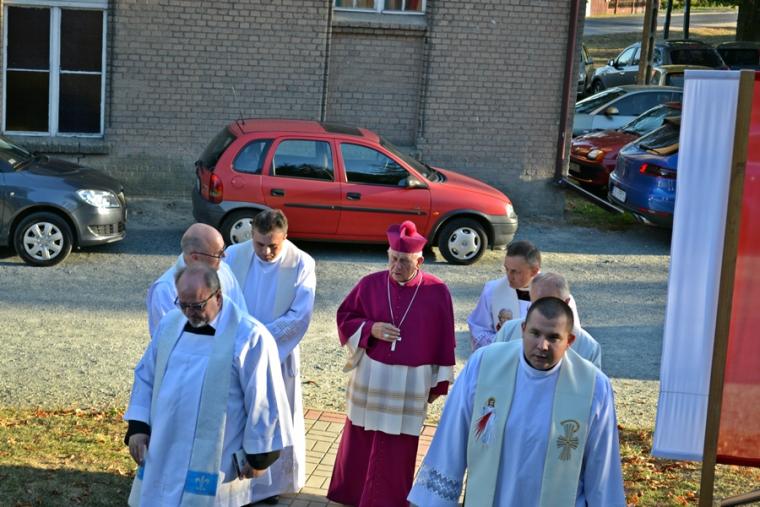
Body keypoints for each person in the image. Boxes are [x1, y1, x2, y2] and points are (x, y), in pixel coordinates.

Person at [407, 297, 625, 507]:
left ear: (570, 341)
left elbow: (602, 466)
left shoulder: (592, 386)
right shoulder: (485, 365)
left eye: (553, 337)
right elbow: (452, 437)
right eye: (535, 333)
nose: (542, 345)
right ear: (523, 329)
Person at [124, 264, 293, 506]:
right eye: (183, 304)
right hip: (165, 441)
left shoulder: (250, 335)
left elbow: (264, 397)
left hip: (218, 451)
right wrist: (138, 426)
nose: (189, 313)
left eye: (197, 305)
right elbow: (146, 375)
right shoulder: (171, 323)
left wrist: (260, 455)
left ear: (218, 296)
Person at [327, 220, 456, 507]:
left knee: (399, 444)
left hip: (410, 381)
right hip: (371, 375)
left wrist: (439, 383)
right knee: (361, 435)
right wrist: (370, 328)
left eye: (404, 261)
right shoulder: (370, 284)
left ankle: (389, 500)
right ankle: (352, 494)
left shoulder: (437, 291)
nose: (396, 267)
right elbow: (345, 317)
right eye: (393, 259)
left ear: (419, 261)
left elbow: (445, 338)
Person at [225, 209, 315, 505]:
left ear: (285, 236)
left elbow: (300, 315)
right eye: (259, 243)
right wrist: (242, 343)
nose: (265, 251)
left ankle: (270, 486)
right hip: (237, 353)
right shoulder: (233, 256)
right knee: (241, 414)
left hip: (278, 355)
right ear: (251, 235)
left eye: (273, 245)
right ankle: (235, 483)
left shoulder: (301, 262)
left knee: (273, 415)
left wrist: (259, 342)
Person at [467, 240, 580, 351]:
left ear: (534, 271)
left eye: (515, 271)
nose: (509, 276)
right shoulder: (492, 290)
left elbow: (572, 337)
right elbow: (479, 328)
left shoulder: (557, 293)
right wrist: (502, 347)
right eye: (507, 269)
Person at [146, 223, 246, 337]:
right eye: (218, 254)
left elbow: (241, 314)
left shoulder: (224, 270)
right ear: (195, 257)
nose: (224, 256)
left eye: (223, 249)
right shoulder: (165, 290)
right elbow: (165, 338)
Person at [494, 272, 602, 369]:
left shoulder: (588, 347)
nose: (543, 311)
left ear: (566, 302)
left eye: (549, 304)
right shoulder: (508, 331)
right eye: (536, 304)